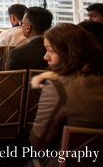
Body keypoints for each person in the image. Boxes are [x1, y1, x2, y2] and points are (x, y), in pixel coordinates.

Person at [29, 23, 103, 166]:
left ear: (69, 52)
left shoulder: (58, 86)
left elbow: (39, 143)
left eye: (50, 51)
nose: (46, 57)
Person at [6, 6, 52, 71]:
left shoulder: (19, 52)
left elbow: (9, 78)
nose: (21, 26)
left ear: (28, 28)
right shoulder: (57, 50)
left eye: (22, 23)